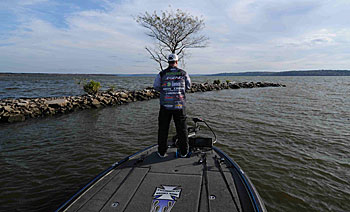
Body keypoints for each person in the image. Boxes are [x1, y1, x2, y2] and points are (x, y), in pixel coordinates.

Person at [153, 53, 192, 158]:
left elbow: (156, 86)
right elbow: (188, 86)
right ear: (177, 61)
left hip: (165, 106)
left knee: (163, 129)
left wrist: (166, 91)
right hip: (180, 105)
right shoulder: (184, 73)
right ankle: (184, 152)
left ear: (168, 62)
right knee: (182, 129)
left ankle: (161, 152)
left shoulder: (162, 74)